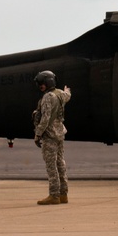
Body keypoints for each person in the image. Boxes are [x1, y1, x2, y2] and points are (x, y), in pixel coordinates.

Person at [33, 70, 71, 205]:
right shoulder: (61, 94)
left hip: (50, 135)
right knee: (61, 163)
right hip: (60, 133)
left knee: (51, 165)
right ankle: (63, 194)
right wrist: (67, 90)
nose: (40, 86)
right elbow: (68, 95)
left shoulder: (48, 97)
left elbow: (45, 118)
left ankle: (54, 195)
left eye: (42, 83)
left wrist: (38, 134)